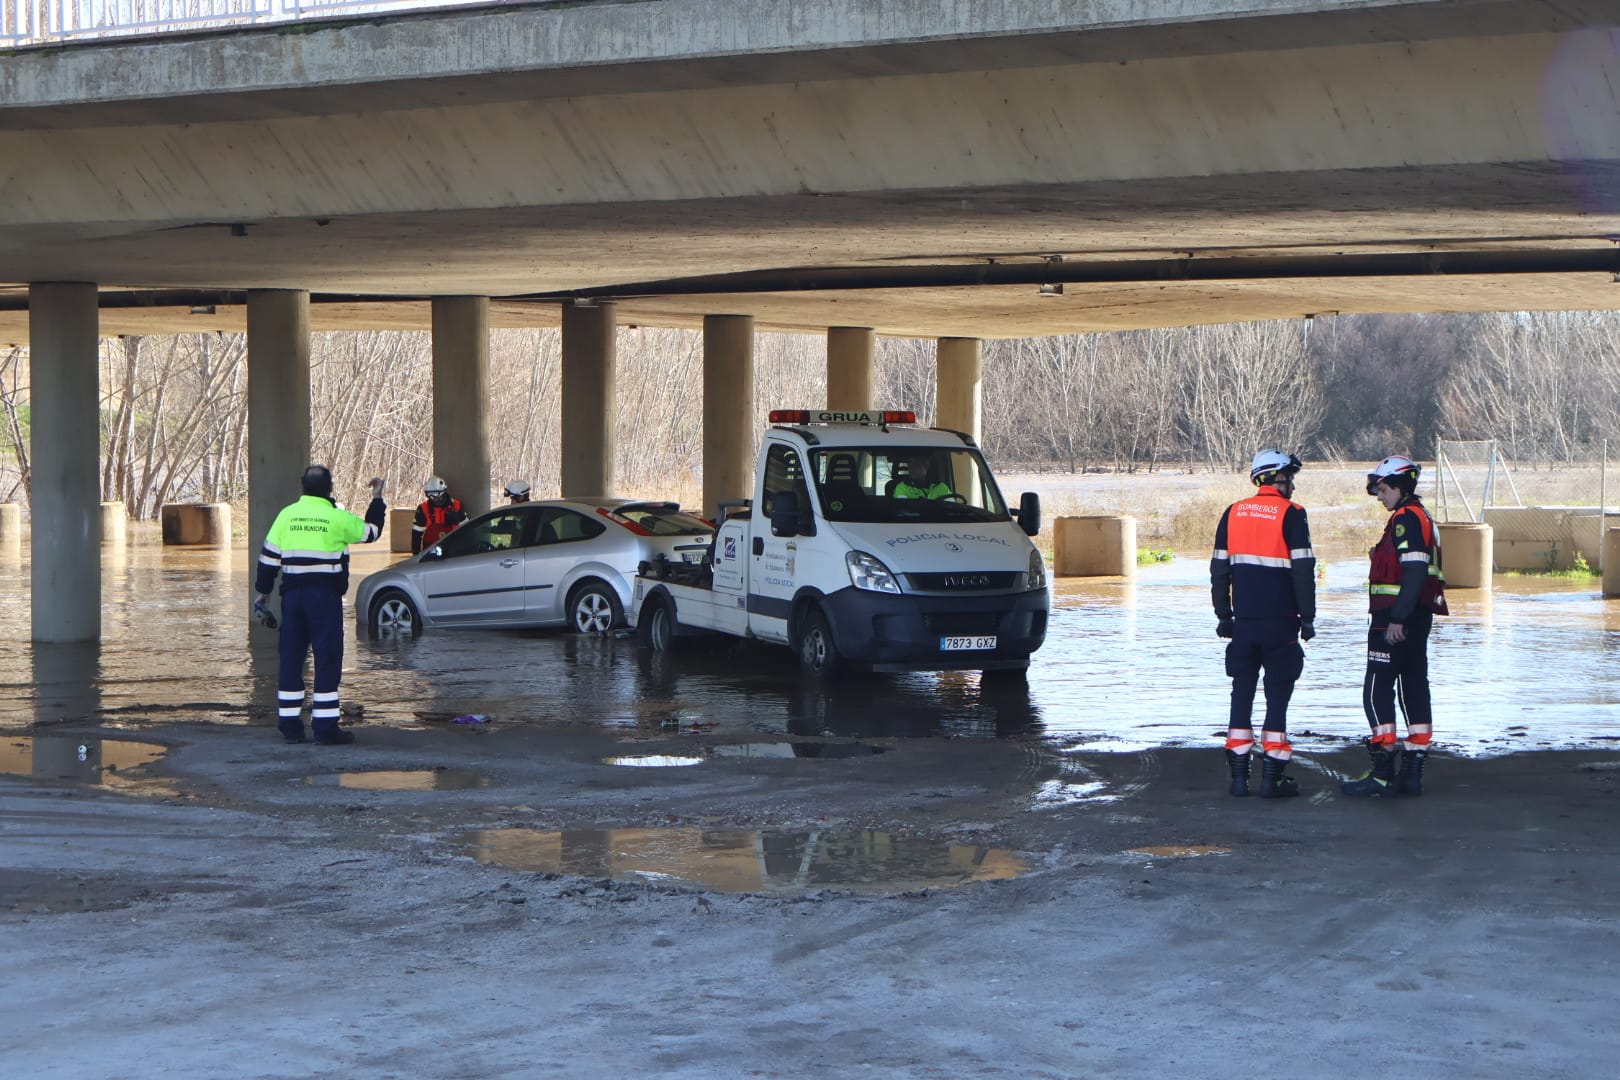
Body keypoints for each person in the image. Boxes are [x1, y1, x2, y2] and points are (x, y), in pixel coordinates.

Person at [1210, 449, 1317, 798]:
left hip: (1243, 623)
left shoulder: (1233, 512)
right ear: (1274, 477)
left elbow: (1218, 571)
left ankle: (1239, 778)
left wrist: (1224, 615)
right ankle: (1273, 778)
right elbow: (1303, 573)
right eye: (1289, 478)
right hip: (1281, 623)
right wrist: (1308, 618)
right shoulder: (1293, 514)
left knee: (1241, 692)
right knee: (1278, 696)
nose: (1293, 485)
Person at [255, 466, 387, 745]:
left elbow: (268, 560)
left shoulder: (286, 516)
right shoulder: (336, 518)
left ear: (302, 487)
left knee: (291, 659)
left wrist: (263, 593)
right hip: (324, 599)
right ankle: (325, 729)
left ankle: (290, 728)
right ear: (330, 488)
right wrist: (377, 496)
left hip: (292, 598)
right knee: (326, 659)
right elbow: (372, 532)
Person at [1343, 455, 1448, 797]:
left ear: (1400, 487)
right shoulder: (1423, 517)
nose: (1379, 496)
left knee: (1376, 690)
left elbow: (1414, 570)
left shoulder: (1405, 519)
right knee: (1414, 686)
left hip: (1395, 619)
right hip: (1418, 617)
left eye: (1383, 489)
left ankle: (1383, 771)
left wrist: (1397, 619)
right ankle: (1412, 771)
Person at [412, 475, 467, 554]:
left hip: (453, 551)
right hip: (430, 552)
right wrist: (415, 554)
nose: (432, 498)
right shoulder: (423, 508)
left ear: (442, 492)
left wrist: (456, 519)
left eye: (434, 494)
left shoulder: (457, 506)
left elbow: (466, 529)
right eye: (428, 495)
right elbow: (416, 534)